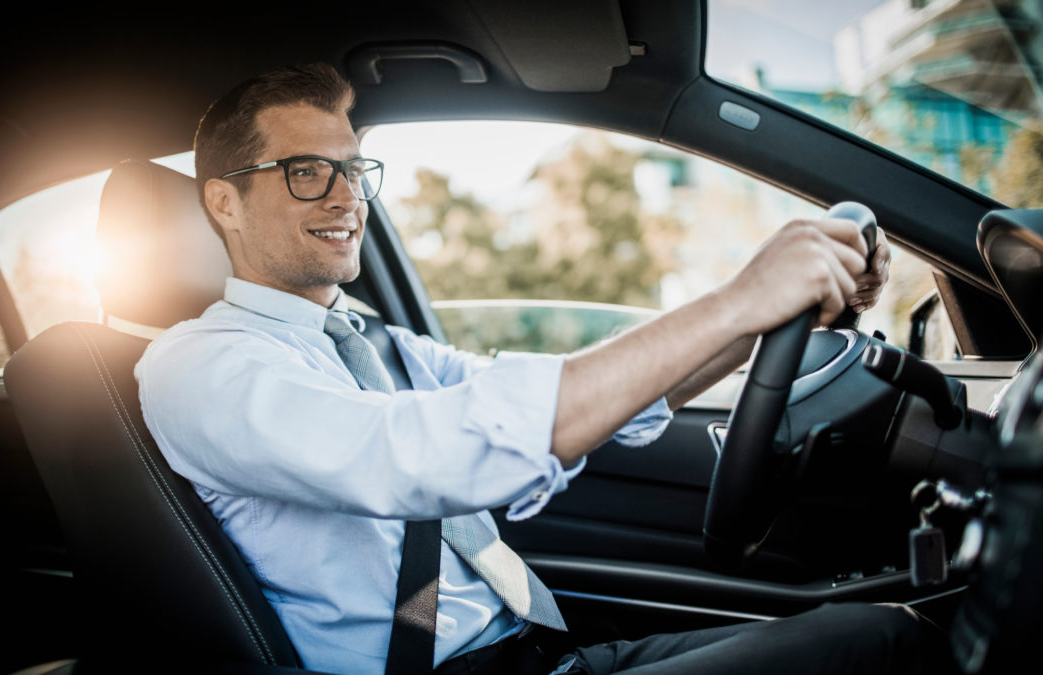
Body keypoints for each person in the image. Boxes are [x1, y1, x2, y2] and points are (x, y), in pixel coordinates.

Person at [136, 63, 941, 674]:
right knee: (886, 643)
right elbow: (426, 454)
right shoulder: (201, 369)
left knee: (883, 632)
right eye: (308, 171)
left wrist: (763, 315)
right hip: (447, 672)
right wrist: (735, 301)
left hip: (536, 647)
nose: (348, 197)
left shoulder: (377, 342)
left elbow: (561, 398)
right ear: (223, 203)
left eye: (354, 169)